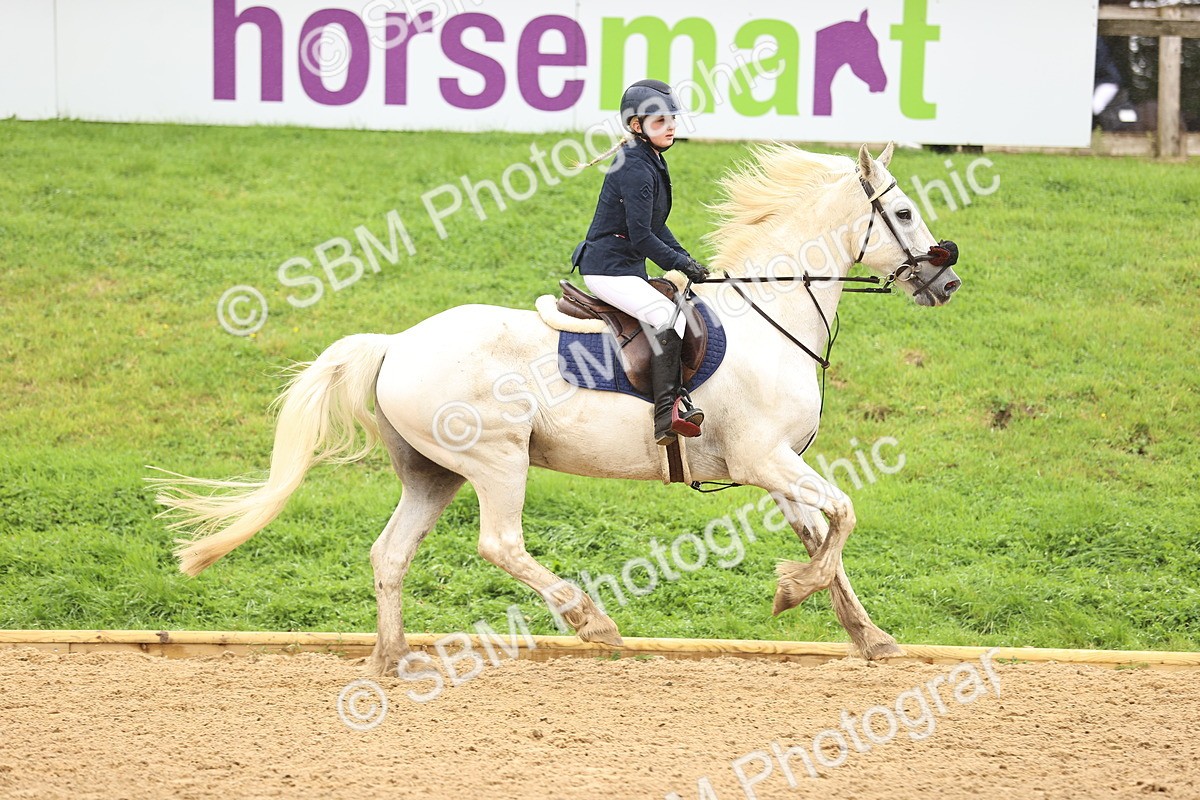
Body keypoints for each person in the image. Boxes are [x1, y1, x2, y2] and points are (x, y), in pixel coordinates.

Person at [570, 79, 711, 446]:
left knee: (676, 312)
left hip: (626, 266)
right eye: (659, 121)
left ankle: (676, 398)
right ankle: (666, 413)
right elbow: (641, 237)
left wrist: (688, 260)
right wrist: (682, 265)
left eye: (672, 119)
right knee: (668, 317)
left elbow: (655, 225)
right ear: (636, 126)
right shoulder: (634, 165)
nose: (670, 126)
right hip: (607, 269)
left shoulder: (651, 158)